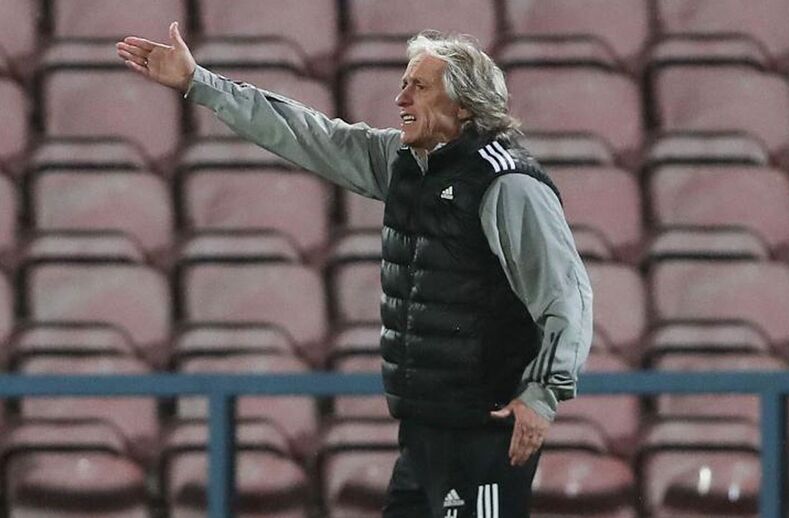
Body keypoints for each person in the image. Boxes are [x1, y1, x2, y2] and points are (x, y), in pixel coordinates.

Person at [116, 22, 592, 518]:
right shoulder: (404, 162)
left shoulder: (508, 184)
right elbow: (308, 134)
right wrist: (199, 82)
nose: (400, 97)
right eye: (404, 83)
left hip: (484, 432)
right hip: (423, 431)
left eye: (418, 86)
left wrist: (543, 394)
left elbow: (566, 296)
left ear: (465, 106)